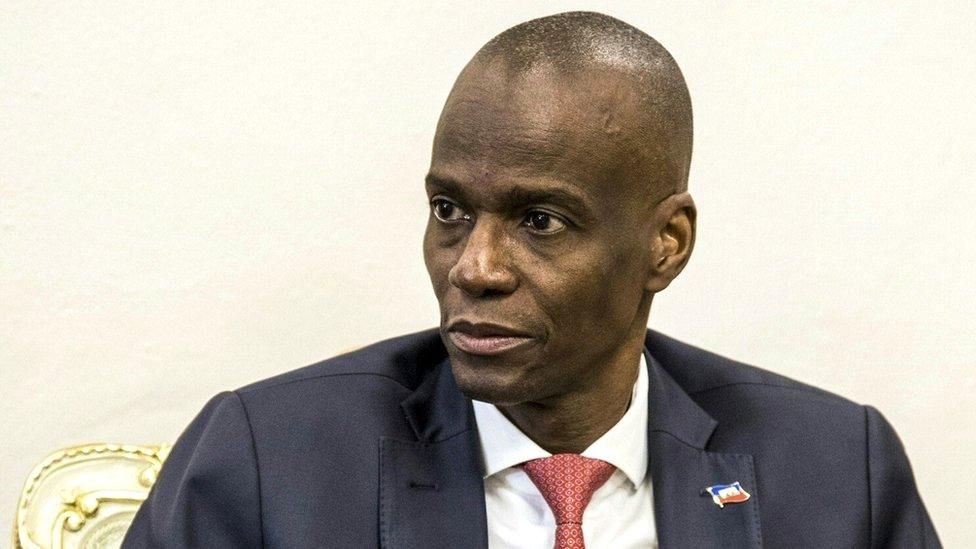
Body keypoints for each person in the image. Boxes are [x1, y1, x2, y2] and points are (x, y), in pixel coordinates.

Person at [122, 11, 939, 548]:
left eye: (539, 221)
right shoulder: (269, 464)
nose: (474, 266)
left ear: (666, 242)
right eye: (449, 209)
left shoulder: (836, 473)